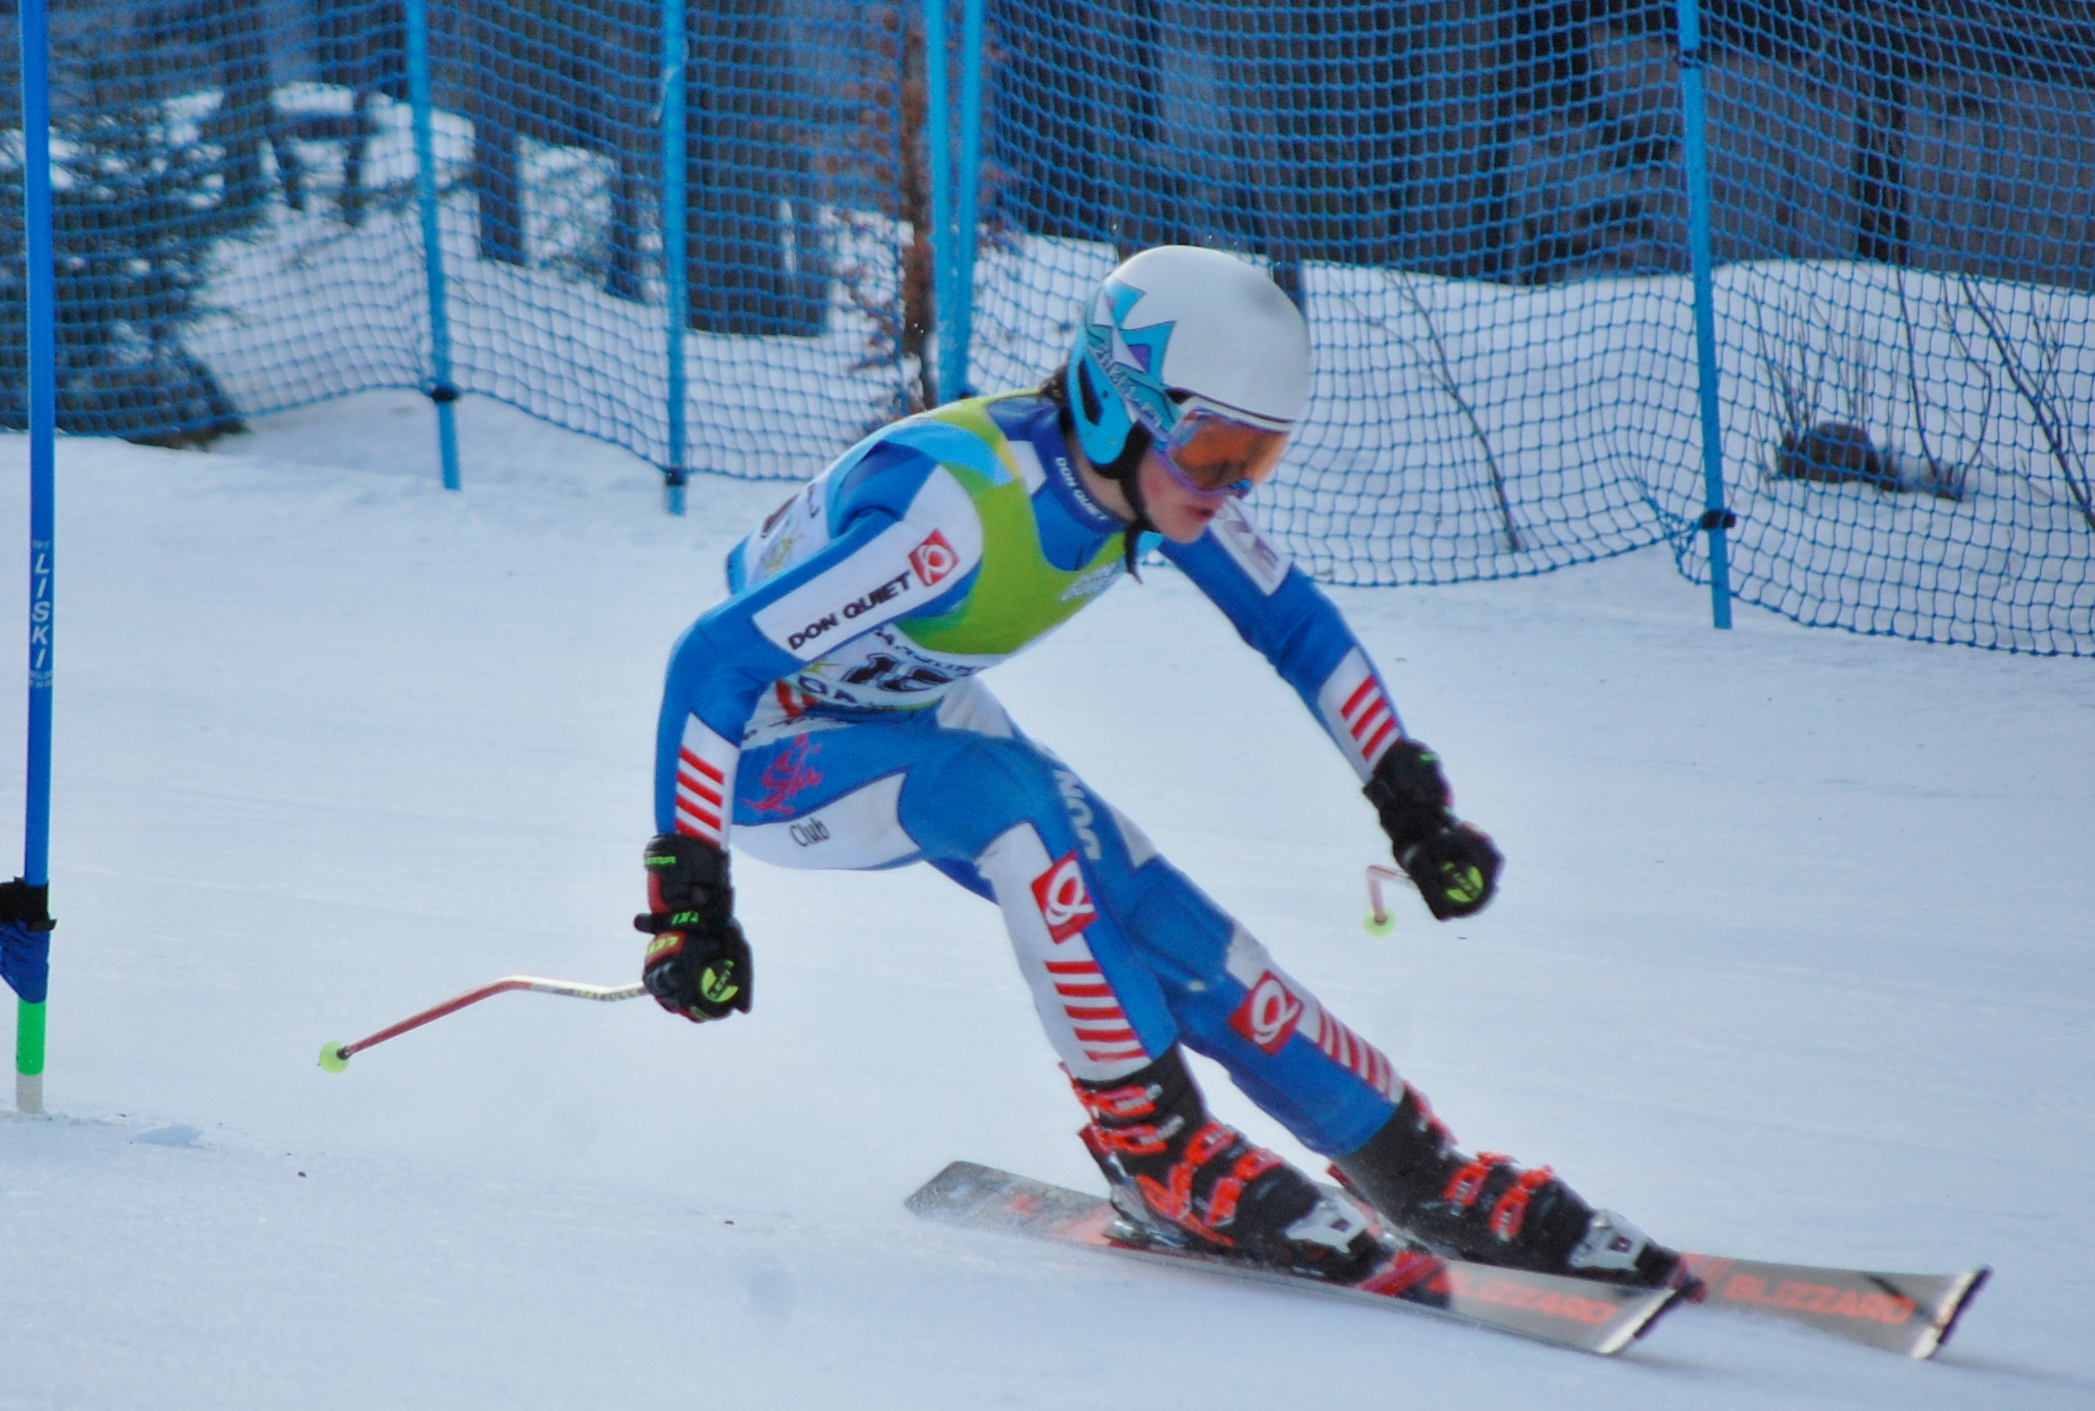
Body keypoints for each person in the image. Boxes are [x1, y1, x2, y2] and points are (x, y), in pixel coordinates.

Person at [633, 245, 1685, 1293]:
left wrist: (1407, 798)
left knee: (1138, 894)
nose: (1228, 487)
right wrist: (689, 896)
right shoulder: (947, 521)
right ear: (1113, 402)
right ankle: (1156, 1149)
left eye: (1256, 460)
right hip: (765, 747)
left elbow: (1298, 628)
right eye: (1216, 449)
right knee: (1015, 807)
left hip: (901, 703)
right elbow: (714, 660)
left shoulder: (1143, 483)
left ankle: (1414, 1168)